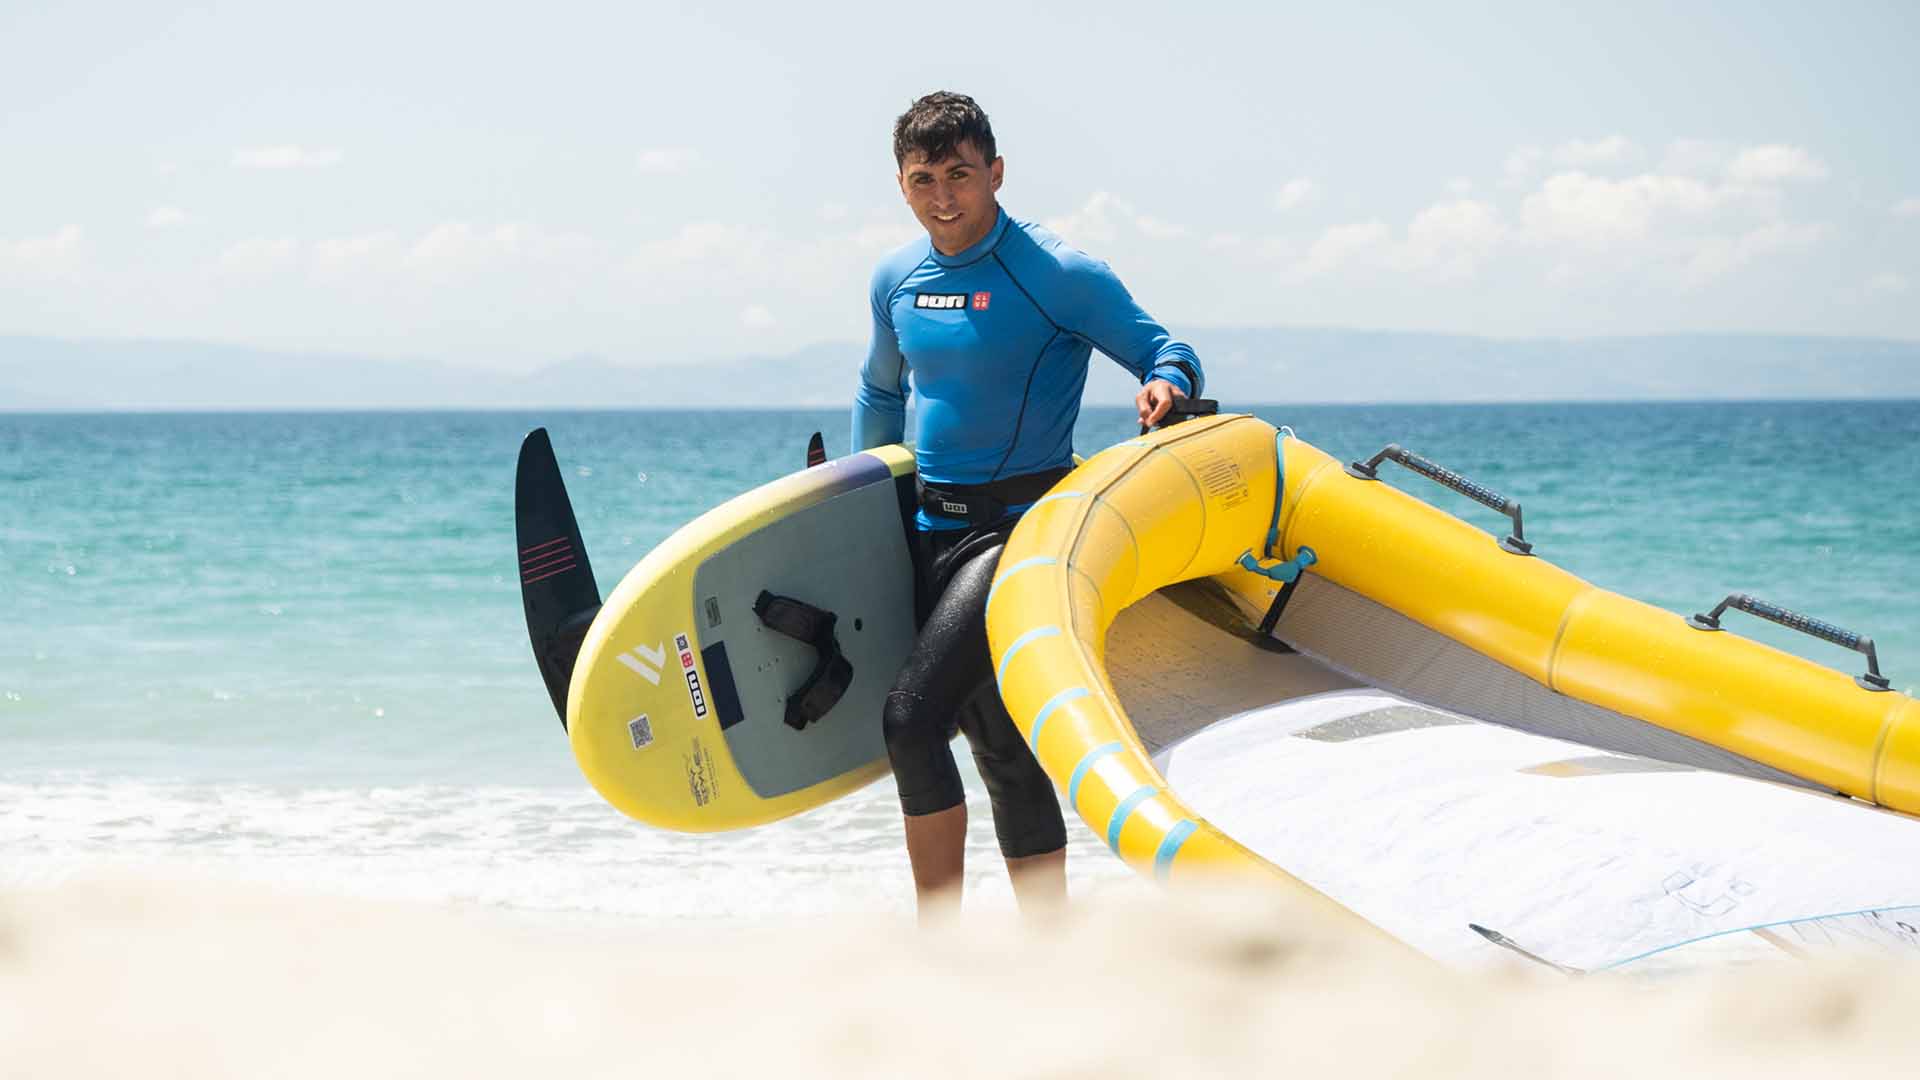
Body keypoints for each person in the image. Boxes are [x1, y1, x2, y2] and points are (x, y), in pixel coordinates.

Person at [853, 91, 1203, 920]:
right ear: (901, 185)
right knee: (1000, 747)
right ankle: (1048, 950)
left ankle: (935, 945)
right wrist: (855, 499)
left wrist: (1166, 382)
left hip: (1019, 533)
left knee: (909, 721)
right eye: (924, 178)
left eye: (961, 175)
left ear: (996, 172)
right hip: (929, 529)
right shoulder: (897, 278)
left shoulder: (1056, 273)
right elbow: (879, 389)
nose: (944, 197)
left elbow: (1164, 347)